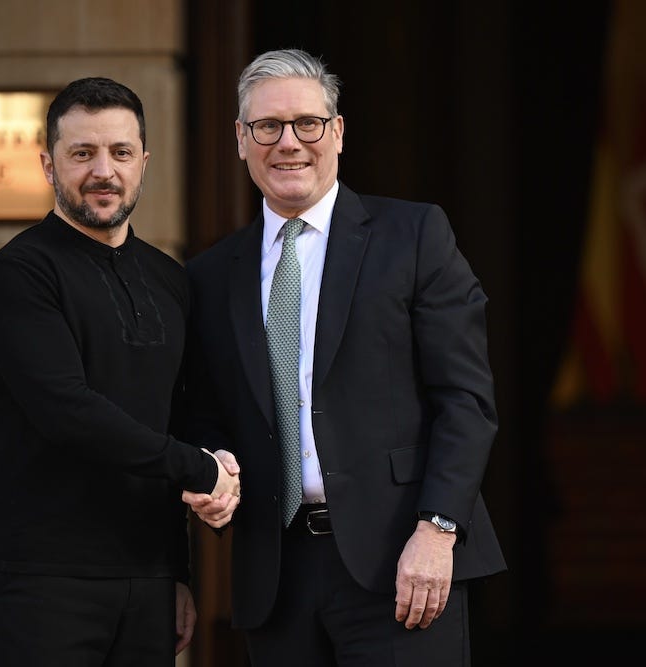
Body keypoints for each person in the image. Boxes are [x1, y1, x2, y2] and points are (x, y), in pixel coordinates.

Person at [181, 49, 506, 666]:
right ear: (240, 141)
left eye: (307, 123)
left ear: (338, 132)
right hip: (275, 577)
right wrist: (211, 464)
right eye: (267, 128)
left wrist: (438, 532)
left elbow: (465, 401)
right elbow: (202, 413)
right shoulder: (209, 276)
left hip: (403, 564)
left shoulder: (414, 237)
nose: (289, 143)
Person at [0, 76, 240, 666]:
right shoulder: (19, 274)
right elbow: (68, 410)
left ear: (144, 161)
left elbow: (179, 415)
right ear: (48, 165)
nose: (103, 171)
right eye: (82, 153)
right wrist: (199, 469)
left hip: (147, 583)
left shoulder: (170, 279)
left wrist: (178, 572)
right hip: (43, 580)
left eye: (120, 153)